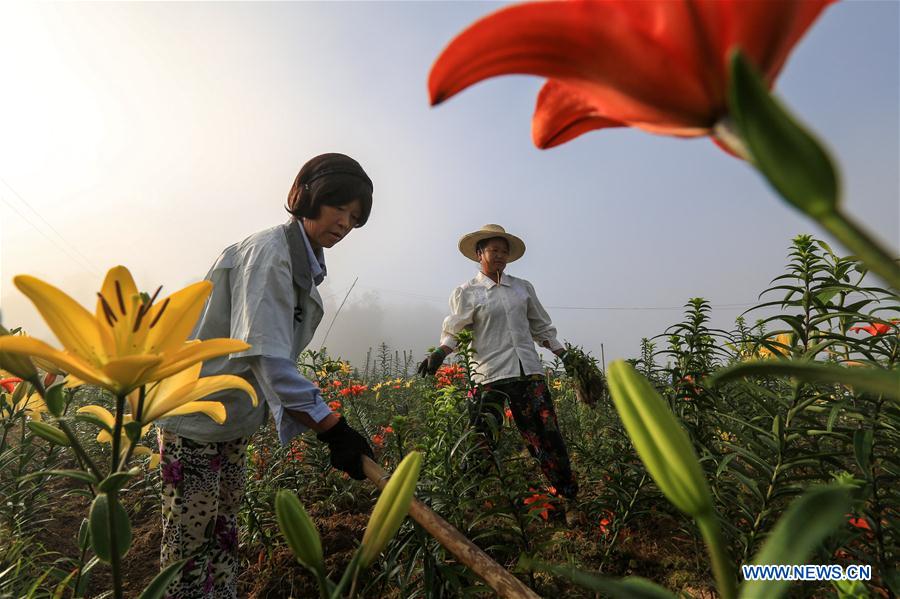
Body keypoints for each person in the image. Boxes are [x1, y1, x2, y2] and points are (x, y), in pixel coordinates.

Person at [156, 153, 375, 598]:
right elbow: (271, 361)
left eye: (354, 218)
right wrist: (335, 429)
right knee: (189, 548)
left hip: (229, 419)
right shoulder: (269, 255)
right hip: (195, 416)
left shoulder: (301, 261)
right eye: (339, 207)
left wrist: (332, 428)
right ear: (308, 196)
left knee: (222, 534)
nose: (344, 223)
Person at [418, 224, 580, 522]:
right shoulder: (467, 292)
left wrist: (565, 354)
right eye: (494, 250)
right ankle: (470, 507)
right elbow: (454, 331)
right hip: (488, 375)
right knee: (481, 440)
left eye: (504, 251)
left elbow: (541, 327)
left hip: (528, 372)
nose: (500, 256)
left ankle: (567, 496)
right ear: (479, 254)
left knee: (547, 435)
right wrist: (439, 353)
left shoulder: (522, 288)